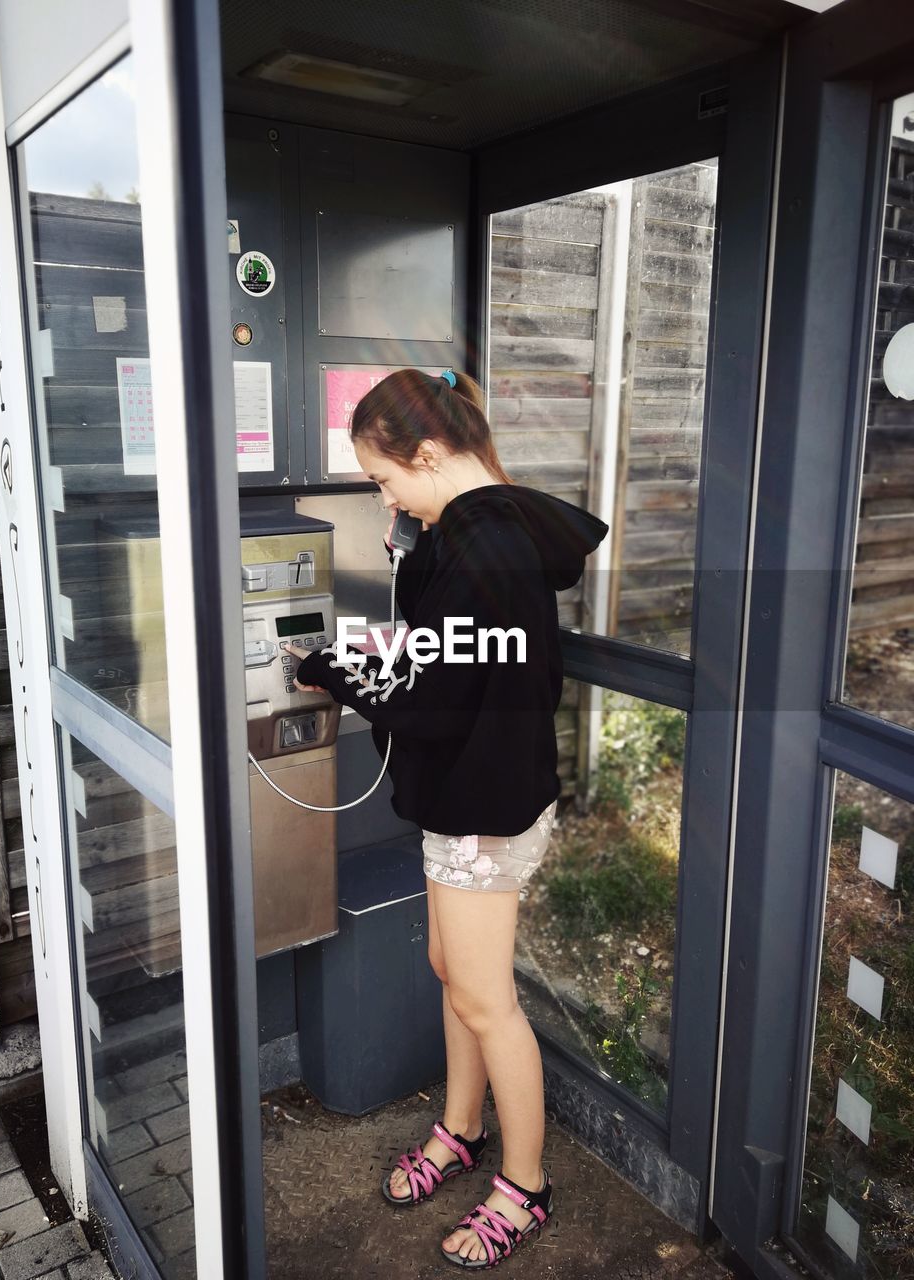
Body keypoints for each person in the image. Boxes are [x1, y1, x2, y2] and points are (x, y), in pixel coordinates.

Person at [287, 368, 608, 1269]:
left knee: (485, 999)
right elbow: (449, 657)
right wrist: (408, 544)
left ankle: (527, 1185)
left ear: (427, 454)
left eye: (385, 480)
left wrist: (333, 671)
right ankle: (461, 1129)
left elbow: (430, 699)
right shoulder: (473, 532)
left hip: (485, 808)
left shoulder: (487, 549)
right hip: (472, 794)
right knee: (450, 969)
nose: (384, 496)